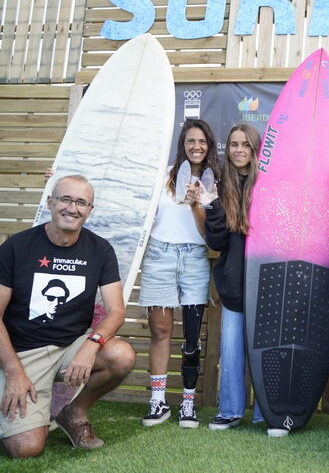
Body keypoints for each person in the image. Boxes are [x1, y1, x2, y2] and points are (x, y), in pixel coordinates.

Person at [0, 175, 135, 458]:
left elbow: (117, 311)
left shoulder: (100, 249)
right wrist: (13, 373)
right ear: (50, 202)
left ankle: (74, 413)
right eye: (65, 199)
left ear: (90, 209)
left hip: (70, 349)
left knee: (121, 355)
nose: (72, 208)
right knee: (26, 448)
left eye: (81, 202)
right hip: (22, 352)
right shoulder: (17, 247)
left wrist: (91, 344)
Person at [140, 119, 220, 429]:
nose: (196, 146)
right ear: (182, 145)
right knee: (159, 332)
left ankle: (188, 405)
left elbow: (209, 235)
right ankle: (158, 402)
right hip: (160, 255)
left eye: (202, 141)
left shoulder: (216, 182)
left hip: (195, 258)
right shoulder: (164, 176)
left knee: (190, 340)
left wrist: (197, 204)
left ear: (209, 145)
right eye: (190, 141)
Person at [203, 124, 264, 430]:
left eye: (246, 145)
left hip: (265, 284)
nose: (239, 150)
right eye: (234, 144)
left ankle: (266, 412)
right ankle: (229, 411)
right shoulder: (220, 186)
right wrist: (212, 206)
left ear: (256, 149)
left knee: (264, 351)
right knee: (231, 350)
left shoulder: (268, 185)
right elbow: (217, 243)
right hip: (233, 284)